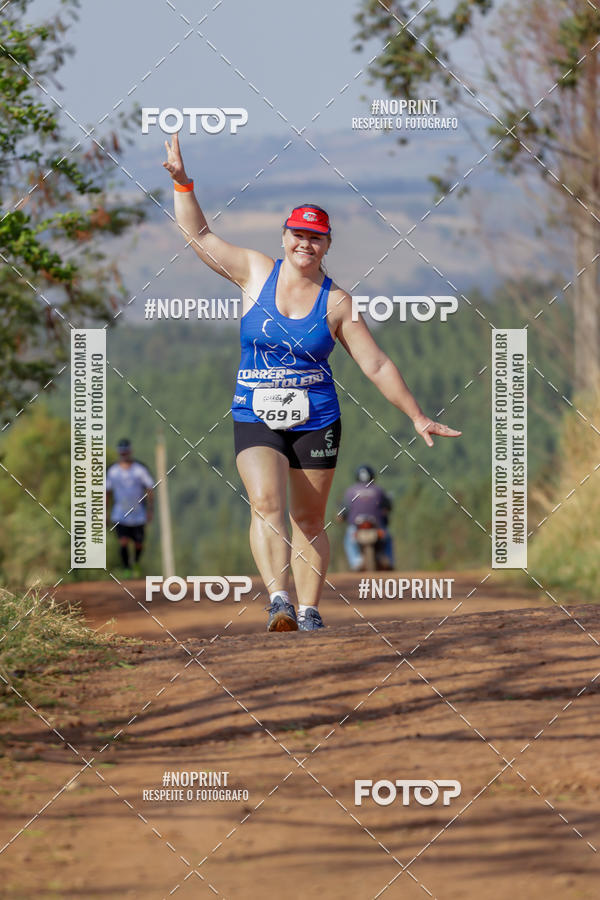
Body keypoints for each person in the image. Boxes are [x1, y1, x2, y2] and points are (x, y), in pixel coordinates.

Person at [163, 133, 461, 632]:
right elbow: (199, 237)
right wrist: (183, 184)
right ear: (284, 237)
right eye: (298, 234)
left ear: (326, 246)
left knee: (307, 520)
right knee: (265, 502)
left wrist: (417, 414)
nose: (305, 243)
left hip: (316, 419)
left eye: (316, 237)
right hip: (254, 412)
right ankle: (278, 600)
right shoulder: (255, 273)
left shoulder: (338, 303)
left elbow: (377, 365)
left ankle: (308, 610)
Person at [106, 439, 154, 577]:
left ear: (130, 452)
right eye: (122, 452)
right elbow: (106, 492)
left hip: (138, 514)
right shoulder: (113, 471)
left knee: (139, 544)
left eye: (126, 452)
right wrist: (105, 512)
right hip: (119, 514)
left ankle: (136, 562)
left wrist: (150, 510)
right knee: (123, 542)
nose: (124, 455)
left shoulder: (140, 469)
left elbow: (150, 489)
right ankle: (127, 568)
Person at [340, 464, 394, 571]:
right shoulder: (379, 490)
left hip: (356, 526)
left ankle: (356, 561)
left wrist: (341, 517)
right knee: (388, 538)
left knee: (348, 540)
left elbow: (344, 510)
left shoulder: (350, 491)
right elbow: (388, 507)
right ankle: (389, 559)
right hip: (377, 525)